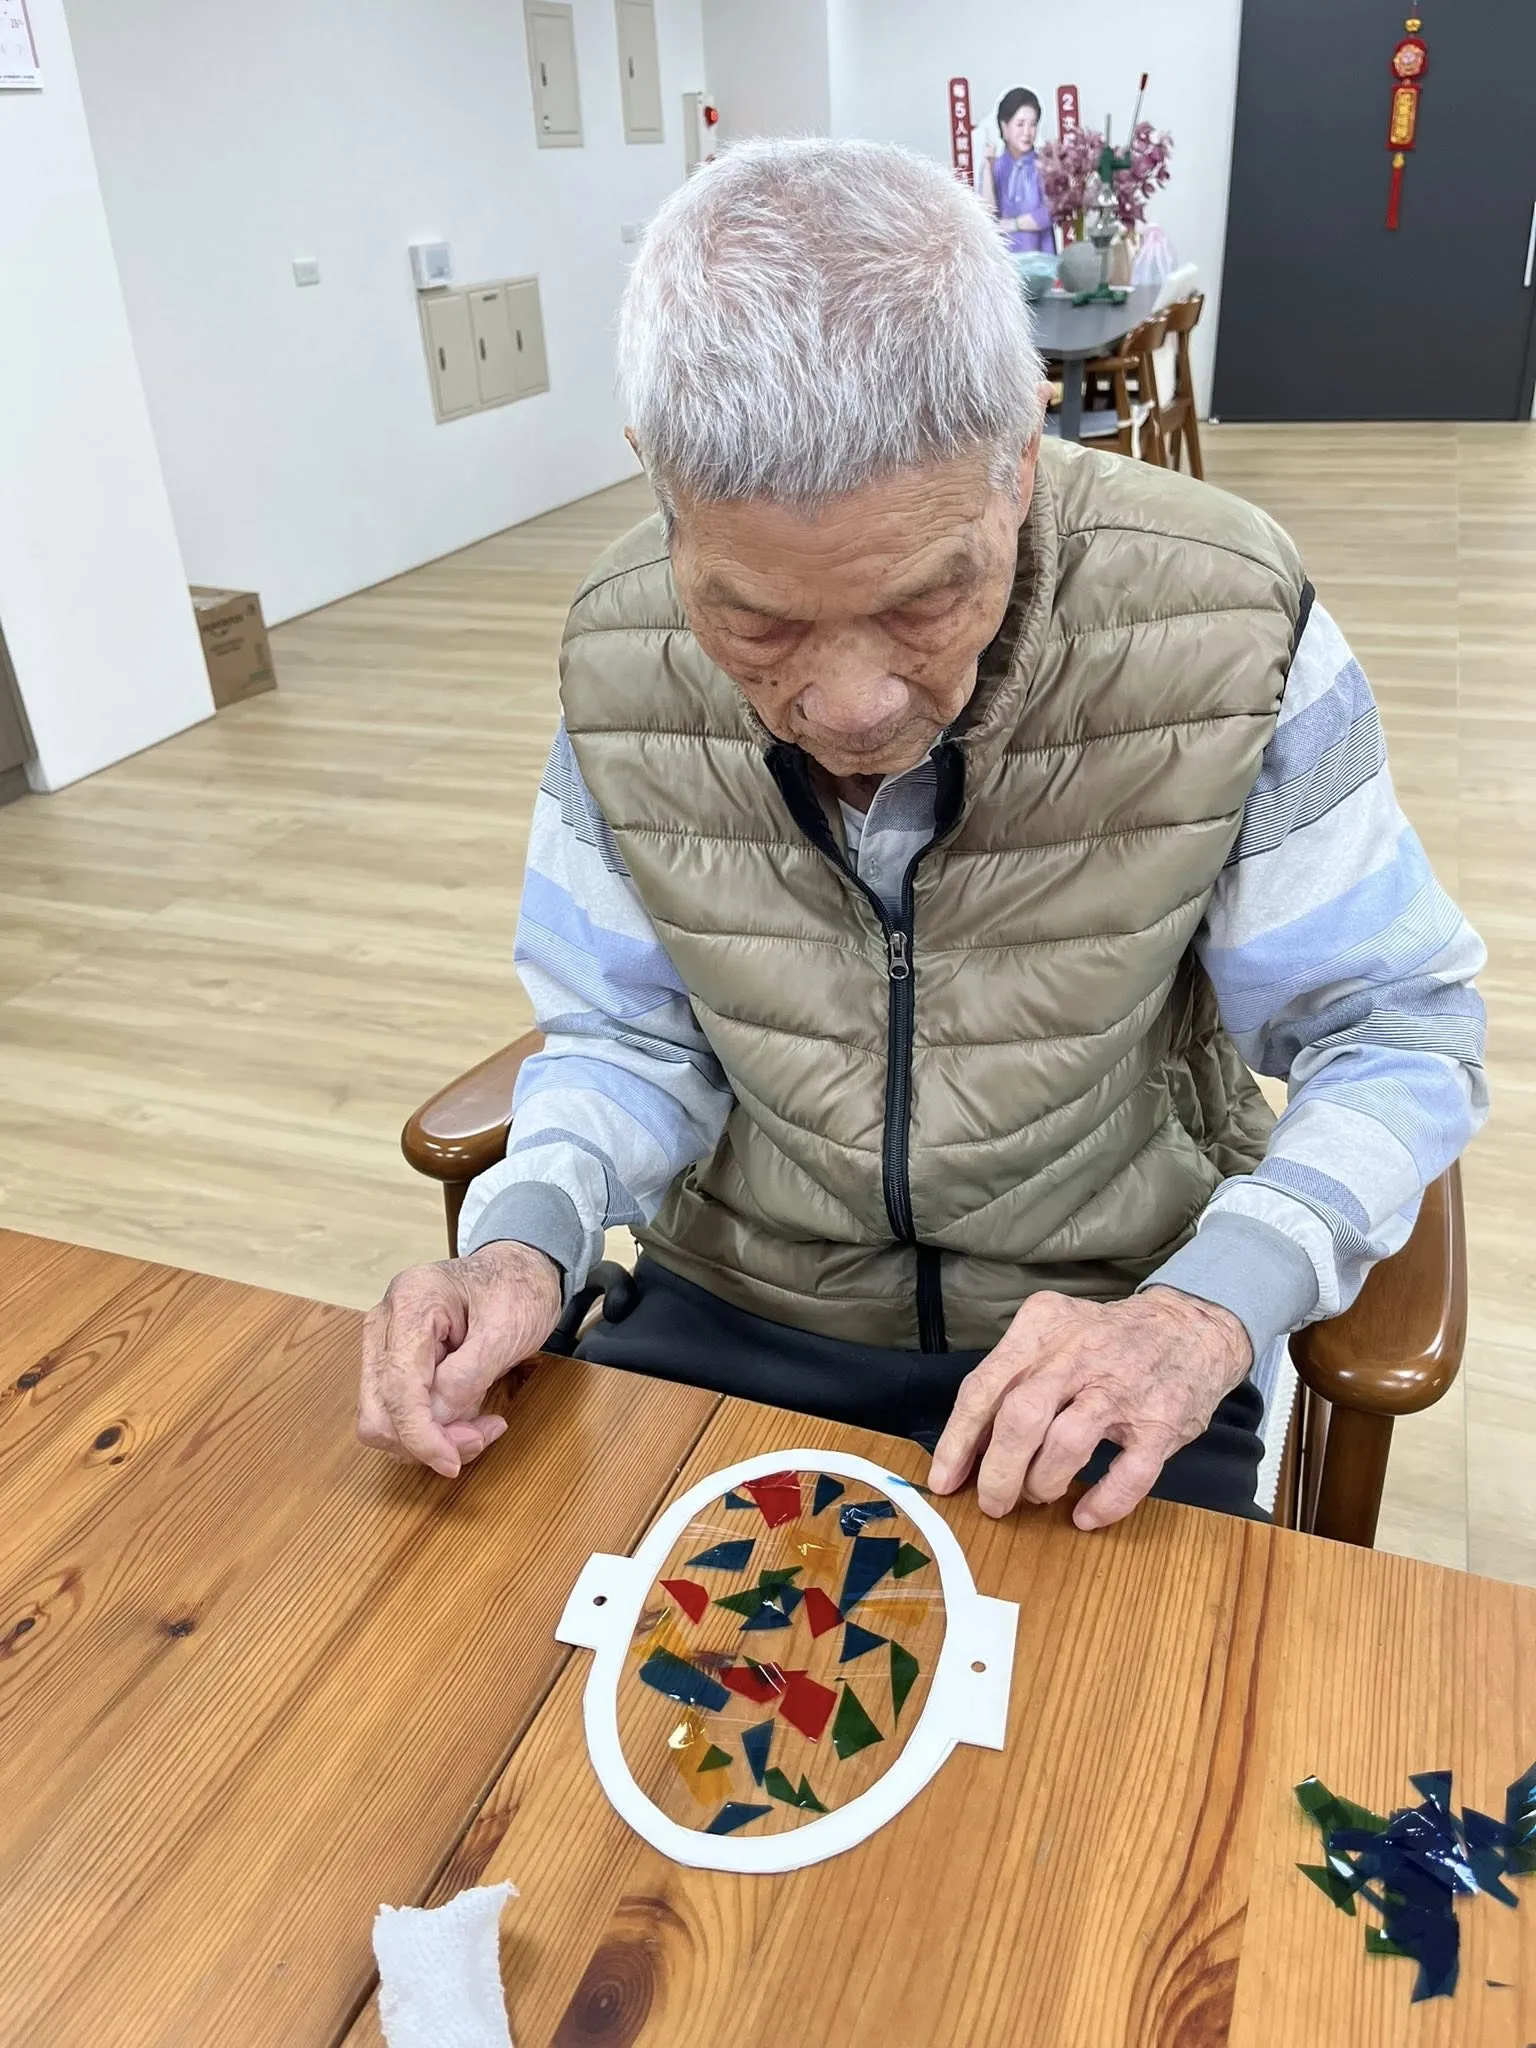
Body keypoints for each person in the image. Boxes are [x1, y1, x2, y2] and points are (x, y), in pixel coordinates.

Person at [358, 139, 1485, 1532]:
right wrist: (526, 1237)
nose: (852, 705)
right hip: (737, 1306)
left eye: (923, 600)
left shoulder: (1224, 620)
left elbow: (1394, 1028)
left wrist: (1211, 1305)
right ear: (659, 487)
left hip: (1109, 1328)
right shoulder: (623, 650)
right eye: (755, 619)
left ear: (1023, 452)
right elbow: (625, 1036)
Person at [980, 86, 1056, 254]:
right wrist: (987, 168)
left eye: (1033, 125)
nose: (1027, 132)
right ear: (1004, 127)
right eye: (1020, 124)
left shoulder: (1044, 165)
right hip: (1004, 261)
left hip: (1041, 260)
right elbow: (986, 217)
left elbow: (1050, 212)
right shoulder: (995, 166)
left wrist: (1013, 224)